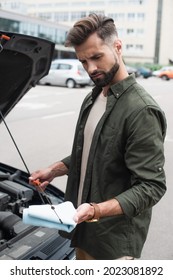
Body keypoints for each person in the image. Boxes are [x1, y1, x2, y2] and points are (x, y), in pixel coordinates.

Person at [29, 13, 167, 260]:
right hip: (83, 232)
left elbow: (151, 187)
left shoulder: (141, 110)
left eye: (96, 57)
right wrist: (54, 170)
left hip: (113, 247)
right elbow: (93, 152)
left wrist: (95, 210)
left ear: (117, 46)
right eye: (83, 61)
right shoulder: (93, 97)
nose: (90, 68)